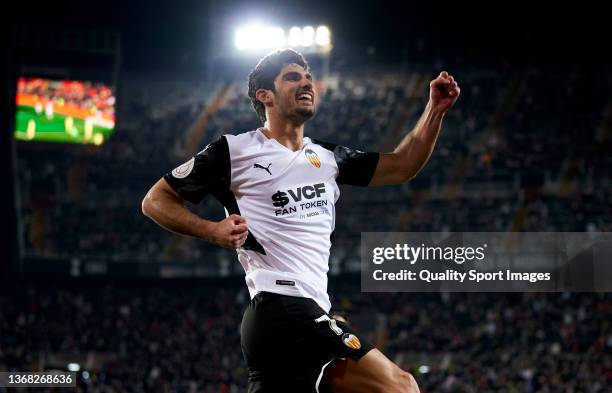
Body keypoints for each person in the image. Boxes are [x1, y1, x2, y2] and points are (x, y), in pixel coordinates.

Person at [142, 48, 460, 393]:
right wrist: (211, 230)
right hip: (282, 307)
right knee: (401, 387)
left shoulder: (327, 157)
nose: (306, 82)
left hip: (293, 317)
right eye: (293, 77)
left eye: (308, 77)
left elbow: (402, 165)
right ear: (265, 95)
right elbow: (155, 200)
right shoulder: (233, 150)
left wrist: (435, 111)